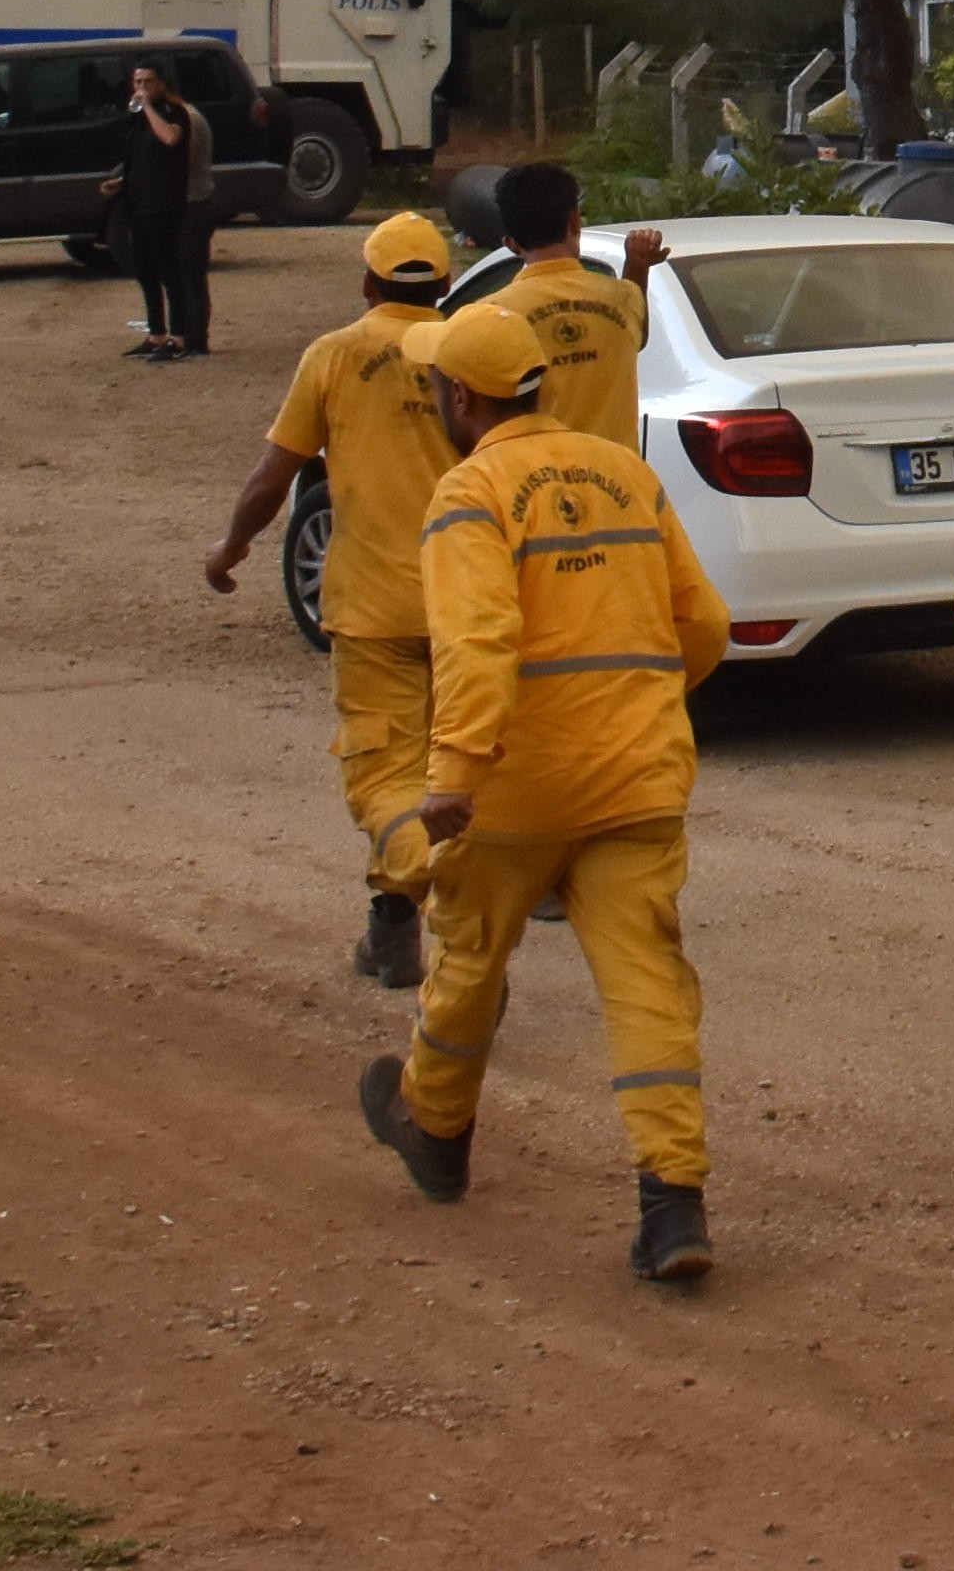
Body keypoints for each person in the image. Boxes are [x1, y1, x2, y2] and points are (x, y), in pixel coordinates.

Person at [351, 299, 730, 1276]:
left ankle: (435, 1128)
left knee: (471, 953)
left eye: (438, 383)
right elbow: (706, 627)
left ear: (461, 397)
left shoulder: (471, 492)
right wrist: (638, 703)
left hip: (515, 790)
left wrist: (454, 774)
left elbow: (479, 644)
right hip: (636, 777)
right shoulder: (626, 473)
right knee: (647, 983)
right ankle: (672, 1203)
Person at [212, 209, 467, 986]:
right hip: (470, 606)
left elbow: (274, 476)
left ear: (366, 282)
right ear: (448, 285)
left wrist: (232, 547)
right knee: (454, 773)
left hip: (373, 609)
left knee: (383, 777)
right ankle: (391, 929)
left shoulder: (336, 354)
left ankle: (453, 898)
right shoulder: (472, 353)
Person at [471, 160, 669, 450]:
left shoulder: (489, 315)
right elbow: (635, 333)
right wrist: (637, 267)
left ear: (511, 244)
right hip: (617, 486)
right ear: (575, 221)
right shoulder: (622, 299)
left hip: (536, 487)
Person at [111, 61, 217, 361]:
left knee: (173, 273)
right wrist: (120, 182)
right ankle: (155, 334)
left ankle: (181, 337)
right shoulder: (137, 120)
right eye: (137, 82)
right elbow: (140, 158)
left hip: (167, 206)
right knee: (145, 271)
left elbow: (170, 140)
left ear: (160, 84)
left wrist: (147, 108)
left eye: (147, 82)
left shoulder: (176, 114)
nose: (141, 88)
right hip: (139, 205)